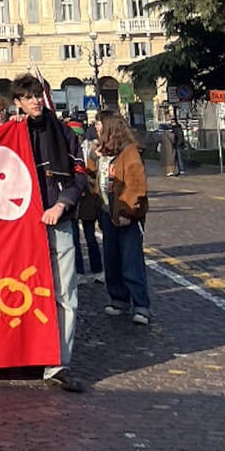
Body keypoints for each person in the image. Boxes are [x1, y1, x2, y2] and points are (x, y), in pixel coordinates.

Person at [13, 73, 87, 393]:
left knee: (64, 294)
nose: (34, 101)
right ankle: (26, 354)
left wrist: (61, 204)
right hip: (21, 230)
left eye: (38, 95)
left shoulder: (65, 134)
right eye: (28, 97)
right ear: (18, 102)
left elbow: (79, 176)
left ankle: (59, 362)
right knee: (22, 291)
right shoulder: (12, 133)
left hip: (59, 222)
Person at [89, 110, 151, 324]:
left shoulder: (128, 152)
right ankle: (119, 300)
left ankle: (141, 305)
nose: (96, 128)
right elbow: (90, 177)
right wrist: (92, 158)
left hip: (126, 214)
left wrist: (128, 211)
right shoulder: (102, 152)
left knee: (131, 260)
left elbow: (136, 183)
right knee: (112, 258)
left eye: (98, 124)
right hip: (107, 213)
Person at [74, 125, 104, 283]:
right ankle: (79, 271)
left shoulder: (91, 150)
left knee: (89, 237)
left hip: (87, 200)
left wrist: (86, 179)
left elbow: (96, 174)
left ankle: (97, 269)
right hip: (73, 202)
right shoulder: (66, 150)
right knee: (75, 240)